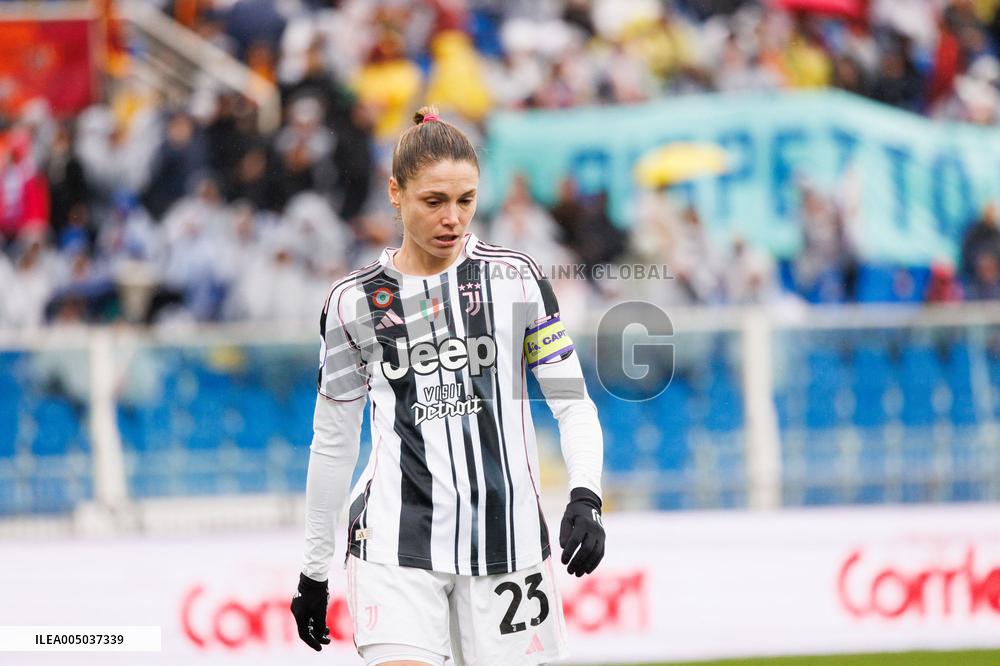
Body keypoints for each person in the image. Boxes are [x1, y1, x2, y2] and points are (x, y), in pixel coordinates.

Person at [290, 106, 606, 666]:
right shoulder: (354, 303)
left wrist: (586, 494)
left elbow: (572, 402)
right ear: (395, 192)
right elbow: (333, 442)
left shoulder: (516, 280)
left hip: (507, 545)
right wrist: (315, 570)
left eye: (465, 200)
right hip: (395, 545)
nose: (453, 219)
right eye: (434, 201)